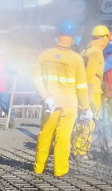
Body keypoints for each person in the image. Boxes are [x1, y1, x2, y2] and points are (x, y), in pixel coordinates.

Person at [33, 20, 92, 177]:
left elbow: (36, 80)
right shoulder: (76, 58)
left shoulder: (44, 55)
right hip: (70, 105)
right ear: (73, 38)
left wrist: (46, 97)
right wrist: (85, 108)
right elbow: (81, 87)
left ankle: (39, 169)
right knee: (63, 138)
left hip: (49, 105)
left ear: (56, 36)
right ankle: (60, 171)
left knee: (45, 135)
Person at [74, 25, 109, 157]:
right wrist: (88, 96)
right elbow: (89, 75)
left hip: (86, 88)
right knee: (88, 122)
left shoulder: (86, 50)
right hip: (91, 91)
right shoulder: (96, 52)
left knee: (83, 120)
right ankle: (80, 151)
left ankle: (80, 149)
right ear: (105, 38)